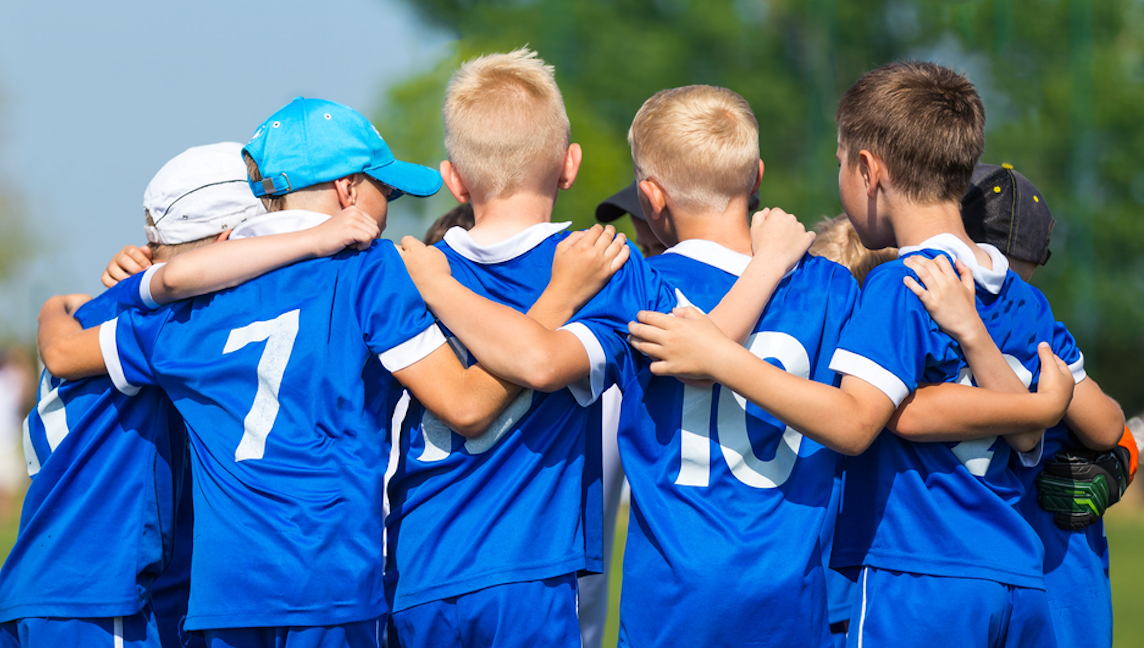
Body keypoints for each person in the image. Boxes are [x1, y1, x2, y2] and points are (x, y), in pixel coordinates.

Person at [34, 97, 619, 648]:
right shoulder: (369, 272)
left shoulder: (191, 303)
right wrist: (555, 303)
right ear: (347, 191)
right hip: (329, 585)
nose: (389, 209)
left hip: (222, 597)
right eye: (383, 189)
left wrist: (92, 290)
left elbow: (64, 353)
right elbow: (465, 406)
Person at [623, 60, 1116, 647]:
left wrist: (720, 356)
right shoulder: (1024, 299)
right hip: (1013, 571)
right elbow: (1084, 426)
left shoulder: (900, 286)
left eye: (838, 163)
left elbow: (858, 422)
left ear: (867, 170)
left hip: (916, 575)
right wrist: (1036, 410)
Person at [389, 50, 810, 648]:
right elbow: (698, 344)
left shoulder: (406, 270)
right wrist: (766, 265)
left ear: (453, 178)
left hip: (417, 567)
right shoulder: (602, 264)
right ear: (570, 165)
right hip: (527, 573)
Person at [599, 84, 853, 647]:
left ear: (650, 198)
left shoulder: (635, 283)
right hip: (792, 601)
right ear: (756, 177)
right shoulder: (829, 285)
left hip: (672, 606)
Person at [0, 142, 266, 648]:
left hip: (42, 589)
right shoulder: (174, 327)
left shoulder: (97, 311)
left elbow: (57, 316)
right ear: (230, 242)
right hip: (96, 598)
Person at [904, 162, 1129, 648]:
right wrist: (1116, 456)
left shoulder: (906, 304)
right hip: (1055, 569)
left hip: (947, 562)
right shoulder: (1031, 317)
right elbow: (1107, 425)